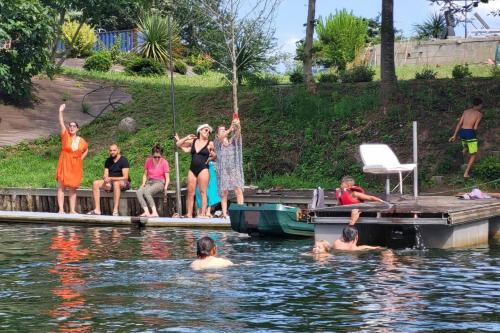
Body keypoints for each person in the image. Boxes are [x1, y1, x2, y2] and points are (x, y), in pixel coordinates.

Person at [176, 124, 216, 218]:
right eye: (206, 130)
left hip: (203, 168)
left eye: (209, 132)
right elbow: (178, 144)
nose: (208, 133)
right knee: (190, 192)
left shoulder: (210, 143)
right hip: (192, 169)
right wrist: (186, 137)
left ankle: (203, 213)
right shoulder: (193, 141)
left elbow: (215, 156)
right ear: (200, 131)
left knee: (203, 191)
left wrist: (212, 157)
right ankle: (189, 214)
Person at [56, 104, 88, 214]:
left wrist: (80, 159)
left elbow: (86, 150)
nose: (72, 127)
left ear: (77, 128)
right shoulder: (66, 136)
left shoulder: (81, 140)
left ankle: (72, 210)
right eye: (70, 126)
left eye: (74, 126)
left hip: (76, 165)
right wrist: (60, 111)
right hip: (65, 162)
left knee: (73, 188)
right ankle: (61, 209)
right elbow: (61, 123)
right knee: (62, 186)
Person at [87, 144, 130, 216]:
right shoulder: (108, 161)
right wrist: (106, 180)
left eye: (114, 150)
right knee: (95, 183)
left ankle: (115, 210)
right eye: (111, 150)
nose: (112, 152)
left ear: (118, 151)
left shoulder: (124, 160)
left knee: (116, 183)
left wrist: (111, 179)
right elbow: (105, 174)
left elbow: (125, 177)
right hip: (111, 182)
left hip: (124, 182)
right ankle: (97, 210)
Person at [215, 117, 245, 218]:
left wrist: (238, 126)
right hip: (223, 171)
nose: (224, 131)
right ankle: (224, 214)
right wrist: (230, 128)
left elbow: (237, 134)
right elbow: (221, 138)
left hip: (233, 169)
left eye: (225, 129)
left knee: (238, 190)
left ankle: (241, 211)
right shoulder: (217, 143)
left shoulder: (233, 141)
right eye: (221, 131)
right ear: (218, 134)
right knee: (224, 193)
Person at [449, 97, 483, 178]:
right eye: (481, 105)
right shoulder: (479, 114)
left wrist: (454, 135)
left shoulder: (465, 111)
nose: (482, 107)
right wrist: (475, 135)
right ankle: (466, 173)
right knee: (473, 154)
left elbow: (459, 123)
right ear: (479, 105)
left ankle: (460, 155)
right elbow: (475, 127)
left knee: (466, 147)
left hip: (462, 132)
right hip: (470, 133)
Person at [136, 144, 170, 217]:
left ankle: (155, 212)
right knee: (139, 192)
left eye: (159, 157)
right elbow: (145, 174)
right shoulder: (148, 161)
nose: (157, 158)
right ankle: (146, 212)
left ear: (161, 155)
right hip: (150, 182)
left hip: (160, 182)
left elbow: (167, 178)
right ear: (152, 155)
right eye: (155, 157)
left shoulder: (164, 162)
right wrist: (143, 183)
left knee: (147, 192)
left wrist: (166, 187)